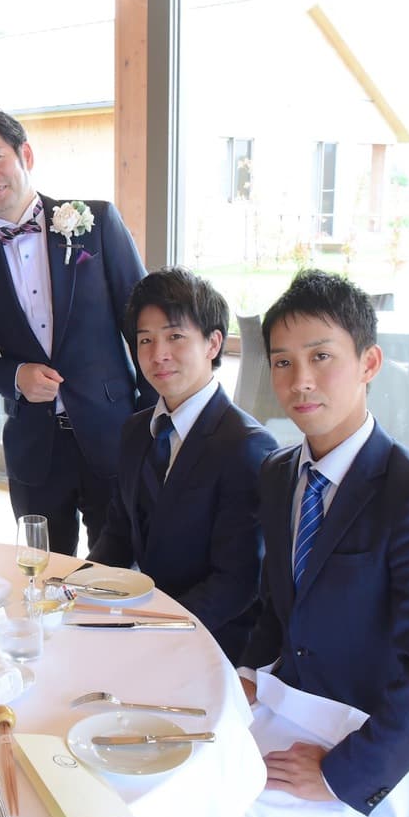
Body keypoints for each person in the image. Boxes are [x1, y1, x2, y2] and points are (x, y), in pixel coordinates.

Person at [239, 270, 409, 817]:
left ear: (370, 364)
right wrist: (248, 675)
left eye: (322, 356)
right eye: (283, 362)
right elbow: (278, 605)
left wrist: (341, 774)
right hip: (295, 714)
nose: (301, 381)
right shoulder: (277, 474)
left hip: (378, 763)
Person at [0, 104, 156, 555]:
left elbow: (145, 326)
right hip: (34, 446)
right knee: (41, 576)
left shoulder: (96, 224)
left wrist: (152, 421)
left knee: (115, 575)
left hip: (111, 434)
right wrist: (13, 377)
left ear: (26, 154)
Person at [88, 267, 277, 661]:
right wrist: (75, 592)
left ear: (213, 344)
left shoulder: (245, 446)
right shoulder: (137, 429)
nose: (158, 355)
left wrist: (152, 630)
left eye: (175, 336)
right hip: (149, 622)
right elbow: (118, 536)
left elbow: (237, 582)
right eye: (145, 340)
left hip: (213, 641)